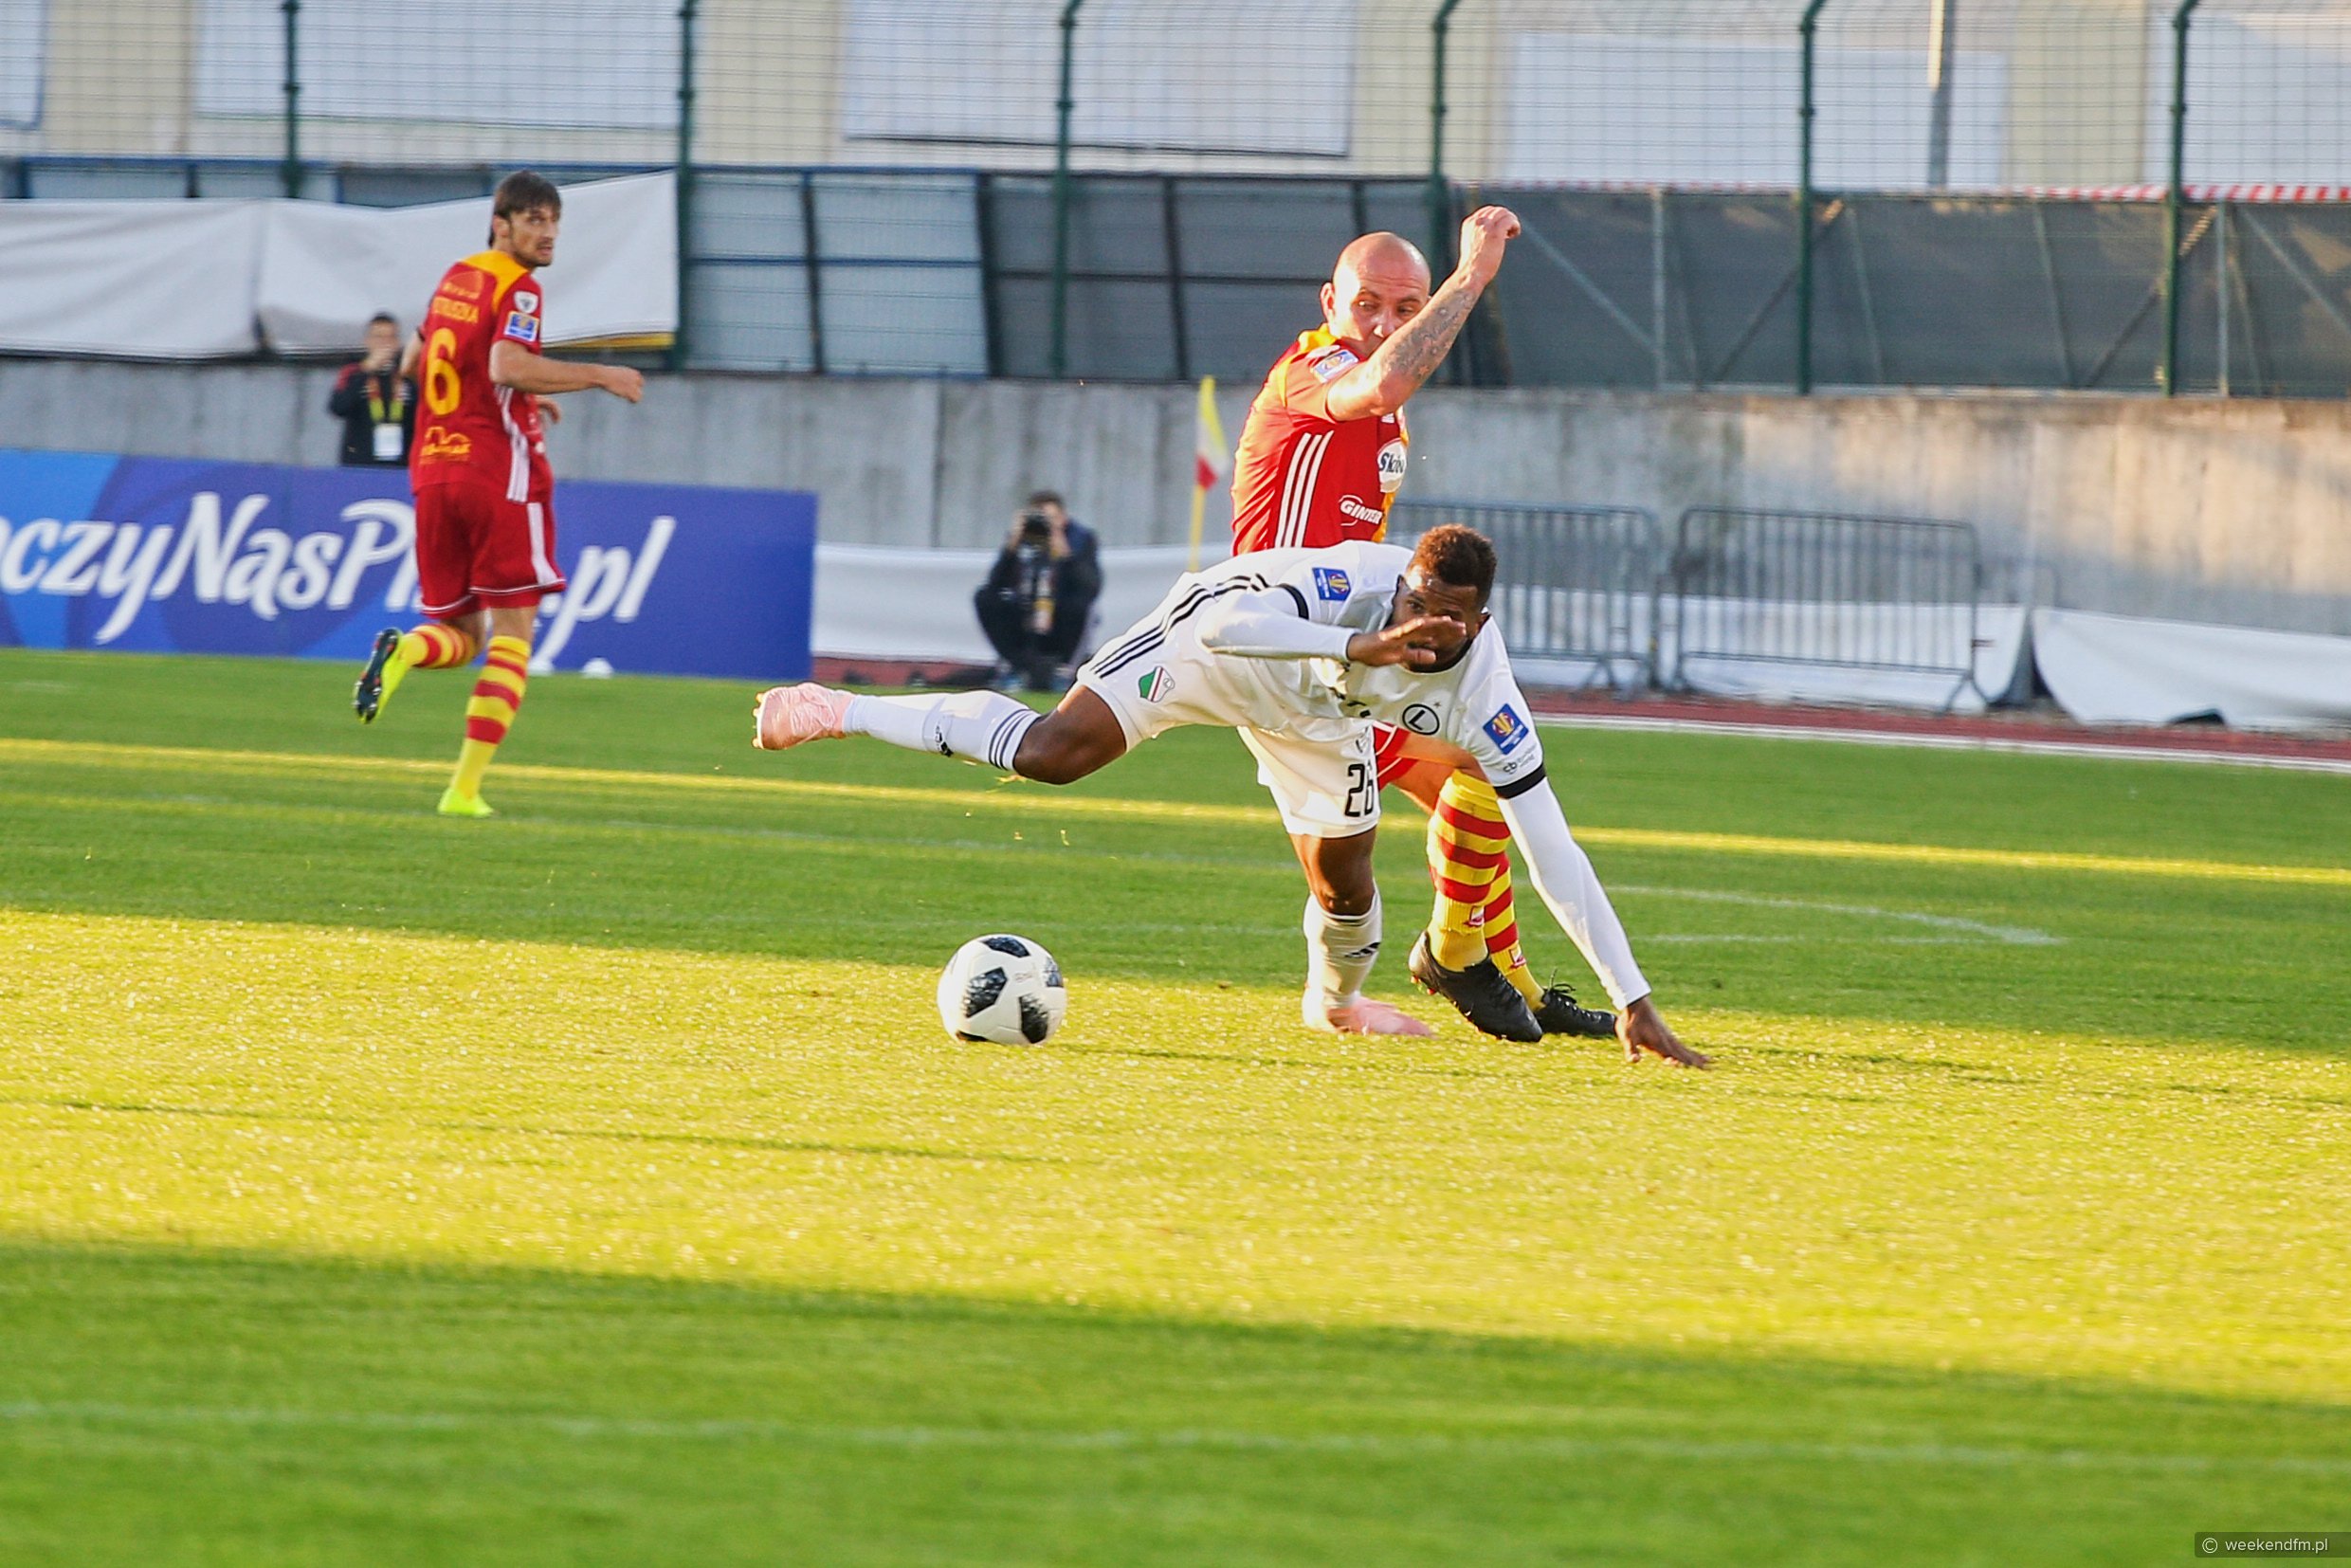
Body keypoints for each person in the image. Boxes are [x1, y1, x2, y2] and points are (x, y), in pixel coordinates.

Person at [751, 526, 1705, 1067]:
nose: (1422, 624)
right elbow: (1223, 627)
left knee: (1347, 883)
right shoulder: (1351, 584)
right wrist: (1356, 643)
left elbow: (1551, 849)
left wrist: (1633, 998)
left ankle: (1334, 1004)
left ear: (1479, 621)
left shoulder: (1487, 698)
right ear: (1403, 584)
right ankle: (839, 709)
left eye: (1446, 618)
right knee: (1053, 753)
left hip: (1315, 714)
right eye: (1414, 603)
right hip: (1212, 648)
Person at [1227, 208, 1601, 1046]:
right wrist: (1471, 277)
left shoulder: (1387, 419)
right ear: (1330, 302)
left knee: (1479, 786)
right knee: (1472, 775)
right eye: (1368, 304)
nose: (1384, 323)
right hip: (1293, 664)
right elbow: (1385, 380)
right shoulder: (1315, 369)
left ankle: (1494, 973)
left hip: (1342, 656)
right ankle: (1446, 964)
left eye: (1406, 308)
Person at [350, 170, 645, 816]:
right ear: (500, 223)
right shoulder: (520, 288)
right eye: (534, 220)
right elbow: (506, 365)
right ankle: (463, 790)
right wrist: (598, 374)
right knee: (514, 635)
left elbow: (413, 364)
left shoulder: (456, 278)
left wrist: (521, 397)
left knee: (460, 635)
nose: (548, 233)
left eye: (554, 221)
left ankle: (404, 649)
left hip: (434, 471)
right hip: (498, 475)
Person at [974, 491, 1102, 691]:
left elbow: (1090, 587)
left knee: (1080, 606)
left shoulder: (1080, 539)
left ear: (1063, 518)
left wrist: (1065, 554)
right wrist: (1012, 546)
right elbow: (995, 583)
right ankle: (1016, 667)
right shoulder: (1022, 541)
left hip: (1062, 613)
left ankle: (1064, 671)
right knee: (986, 598)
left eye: (1051, 519)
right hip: (1025, 610)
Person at [327, 313, 418, 467]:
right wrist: (366, 370)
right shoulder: (352, 372)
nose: (384, 344)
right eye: (379, 338)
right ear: (367, 341)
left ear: (398, 343)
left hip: (401, 467)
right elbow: (337, 408)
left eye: (390, 338)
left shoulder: (408, 374)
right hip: (360, 466)